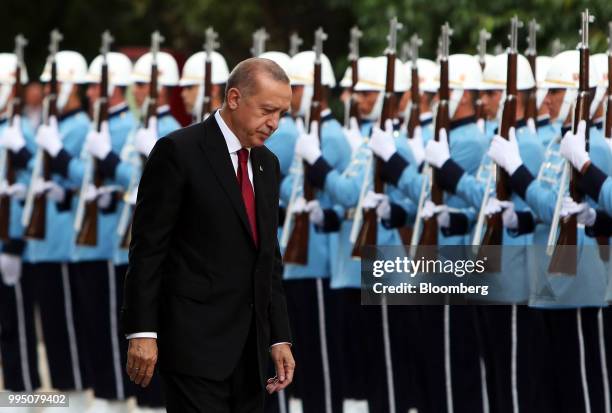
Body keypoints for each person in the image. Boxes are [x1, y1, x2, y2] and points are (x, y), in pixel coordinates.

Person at [122, 57, 294, 412]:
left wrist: (279, 335)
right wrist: (142, 331)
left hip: (249, 350)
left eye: (281, 113)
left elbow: (268, 257)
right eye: (266, 110)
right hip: (193, 345)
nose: (273, 123)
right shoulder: (179, 152)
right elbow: (148, 249)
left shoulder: (266, 164)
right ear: (234, 98)